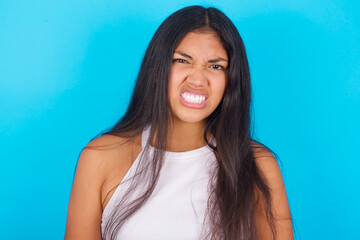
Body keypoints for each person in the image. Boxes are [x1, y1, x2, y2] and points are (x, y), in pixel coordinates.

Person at [65, 5, 293, 240]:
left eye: (215, 66)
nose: (197, 79)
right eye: (182, 61)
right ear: (156, 69)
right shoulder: (100, 157)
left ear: (230, 81)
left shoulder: (257, 165)